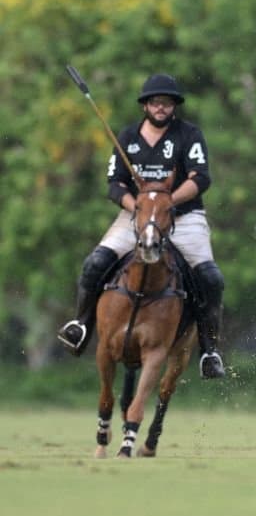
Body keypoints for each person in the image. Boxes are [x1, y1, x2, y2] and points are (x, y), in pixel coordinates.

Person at [56, 73, 228, 379]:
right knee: (95, 263)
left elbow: (200, 178)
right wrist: (139, 206)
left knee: (211, 279)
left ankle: (209, 350)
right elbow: (115, 184)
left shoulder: (188, 135)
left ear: (174, 106)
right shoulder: (127, 138)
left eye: (167, 103)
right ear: (145, 105)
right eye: (155, 102)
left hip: (184, 217)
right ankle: (80, 325)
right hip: (136, 216)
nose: (161, 107)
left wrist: (166, 202)